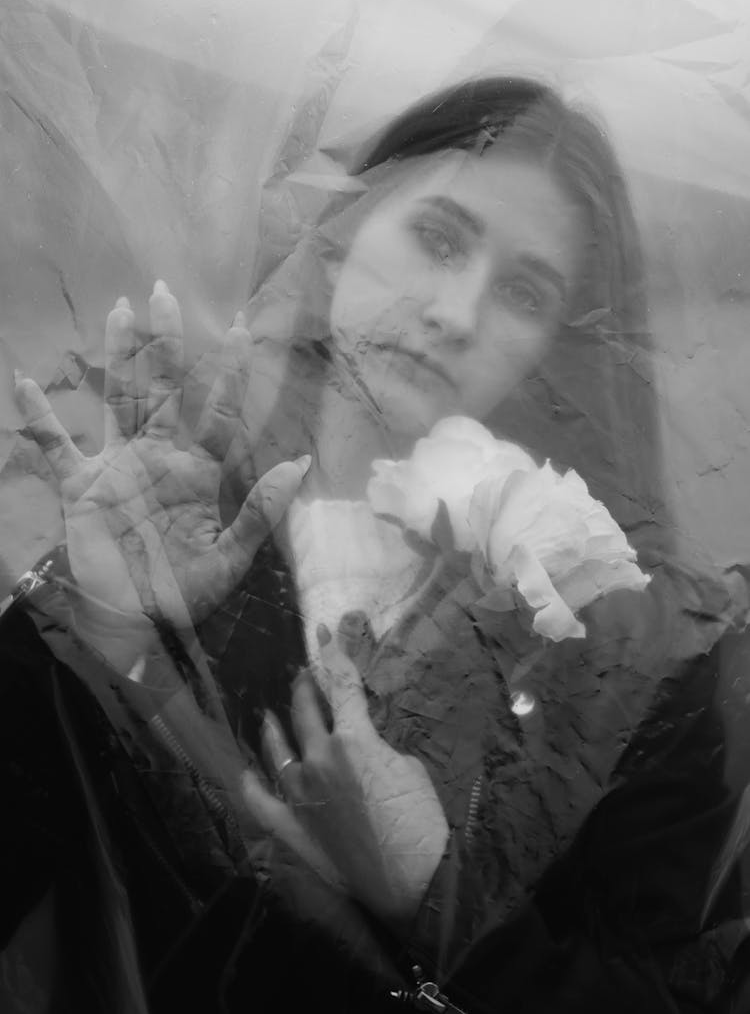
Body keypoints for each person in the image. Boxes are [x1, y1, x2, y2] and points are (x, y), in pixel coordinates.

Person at [0, 77, 746, 1013]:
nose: (457, 310)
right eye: (437, 239)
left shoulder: (624, 647)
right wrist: (90, 623)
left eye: (522, 291)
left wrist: (437, 894)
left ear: (560, 344)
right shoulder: (177, 504)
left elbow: (671, 985)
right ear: (342, 235)